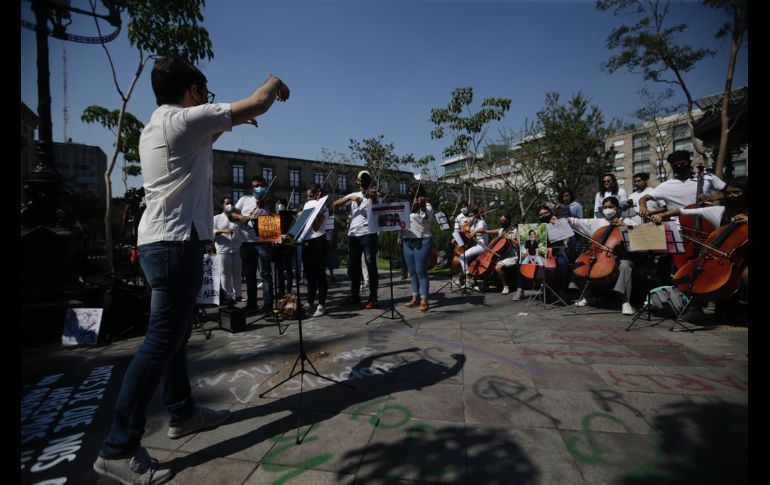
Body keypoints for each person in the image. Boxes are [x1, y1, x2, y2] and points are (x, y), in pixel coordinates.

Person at [93, 56, 289, 484]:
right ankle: (118, 447)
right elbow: (257, 102)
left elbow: (205, 138)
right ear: (194, 92)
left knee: (175, 337)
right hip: (173, 244)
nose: (207, 100)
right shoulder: (182, 120)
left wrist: (228, 123)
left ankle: (182, 413)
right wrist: (274, 80)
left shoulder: (158, 126)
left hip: (162, 243)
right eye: (205, 93)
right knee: (159, 343)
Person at [650, 176, 748, 321]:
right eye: (728, 193)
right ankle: (696, 306)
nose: (731, 196)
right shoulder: (721, 212)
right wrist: (663, 214)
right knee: (701, 272)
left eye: (736, 193)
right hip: (729, 257)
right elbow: (685, 211)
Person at [566, 196, 639, 315]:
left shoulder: (627, 221)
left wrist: (625, 226)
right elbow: (577, 222)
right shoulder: (597, 222)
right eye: (605, 207)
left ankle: (626, 302)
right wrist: (563, 219)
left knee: (625, 266)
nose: (607, 209)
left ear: (618, 208)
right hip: (600, 255)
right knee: (579, 265)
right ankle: (588, 296)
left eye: (611, 207)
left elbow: (640, 234)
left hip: (620, 255)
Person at [333, 170, 380, 309]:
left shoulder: (375, 194)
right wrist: (350, 199)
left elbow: (378, 209)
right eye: (361, 181)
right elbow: (335, 204)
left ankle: (373, 297)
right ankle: (354, 296)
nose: (363, 184)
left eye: (366, 181)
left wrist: (373, 198)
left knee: (371, 264)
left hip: (368, 234)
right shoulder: (355, 195)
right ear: (358, 182)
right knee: (353, 268)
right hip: (353, 235)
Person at [638, 150, 726, 219]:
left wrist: (711, 198)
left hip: (706, 222)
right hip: (679, 229)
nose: (680, 167)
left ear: (689, 162)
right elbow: (643, 198)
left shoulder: (706, 177)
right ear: (672, 167)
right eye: (676, 165)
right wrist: (643, 206)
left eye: (683, 163)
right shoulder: (665, 186)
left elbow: (730, 192)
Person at [234, 176, 274, 311]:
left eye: (261, 185)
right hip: (245, 242)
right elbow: (232, 213)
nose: (258, 188)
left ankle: (268, 305)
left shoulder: (270, 200)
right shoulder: (244, 199)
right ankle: (252, 303)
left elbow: (274, 218)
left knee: (266, 275)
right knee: (250, 275)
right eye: (255, 186)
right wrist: (241, 217)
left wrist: (269, 203)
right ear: (252, 187)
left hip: (263, 242)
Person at [401, 183, 433, 311]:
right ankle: (415, 297)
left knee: (421, 271)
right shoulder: (407, 206)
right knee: (412, 272)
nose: (412, 195)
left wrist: (423, 206)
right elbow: (401, 221)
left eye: (414, 193)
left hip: (423, 239)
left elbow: (426, 217)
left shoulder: (427, 205)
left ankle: (424, 299)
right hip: (407, 240)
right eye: (410, 193)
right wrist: (400, 235)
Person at [301, 184, 330, 317]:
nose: (309, 199)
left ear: (318, 195)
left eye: (311, 196)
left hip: (318, 240)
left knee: (319, 274)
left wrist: (314, 210)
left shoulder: (323, 208)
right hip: (307, 241)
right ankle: (310, 301)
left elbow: (317, 227)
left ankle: (322, 304)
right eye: (307, 196)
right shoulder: (308, 206)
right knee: (309, 274)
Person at [213, 196, 242, 305]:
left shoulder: (235, 218)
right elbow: (212, 230)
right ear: (222, 205)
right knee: (225, 273)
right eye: (226, 203)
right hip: (222, 248)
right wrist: (223, 231)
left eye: (230, 203)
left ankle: (238, 294)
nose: (229, 205)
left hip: (235, 247)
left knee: (237, 272)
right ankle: (228, 295)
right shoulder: (216, 218)